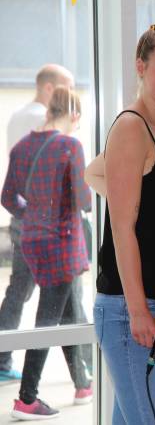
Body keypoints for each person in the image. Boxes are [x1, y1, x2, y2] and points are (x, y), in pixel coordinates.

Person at [85, 23, 155, 424]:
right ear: (141, 67)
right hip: (134, 309)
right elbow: (122, 229)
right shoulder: (132, 127)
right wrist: (137, 311)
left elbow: (93, 173)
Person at [2, 87, 93, 420]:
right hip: (63, 244)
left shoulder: (22, 146)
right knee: (48, 319)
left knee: (67, 311)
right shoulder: (70, 146)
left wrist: (33, 216)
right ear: (74, 115)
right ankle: (27, 398)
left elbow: (8, 197)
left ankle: (83, 384)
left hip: (33, 243)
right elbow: (84, 200)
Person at [0, 64, 75, 384]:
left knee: (18, 291)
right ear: (49, 88)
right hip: (46, 226)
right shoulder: (43, 122)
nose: (71, 96)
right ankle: (82, 375)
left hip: (23, 219)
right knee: (63, 300)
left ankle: (2, 361)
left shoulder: (17, 116)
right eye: (67, 88)